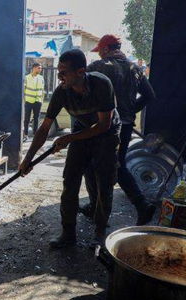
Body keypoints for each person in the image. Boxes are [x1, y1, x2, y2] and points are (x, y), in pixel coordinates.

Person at [19, 49, 121, 248]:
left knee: (104, 182)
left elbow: (103, 125)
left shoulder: (101, 84)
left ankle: (100, 233)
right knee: (70, 180)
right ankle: (68, 234)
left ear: (81, 72)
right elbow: (44, 127)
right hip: (81, 131)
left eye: (64, 72)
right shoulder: (61, 92)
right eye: (59, 71)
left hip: (106, 134)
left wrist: (68, 138)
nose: (59, 76)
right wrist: (28, 159)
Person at [82, 34, 156, 225]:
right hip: (125, 125)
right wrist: (131, 111)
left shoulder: (98, 68)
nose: (100, 55)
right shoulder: (135, 68)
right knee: (117, 165)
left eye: (100, 51)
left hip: (103, 125)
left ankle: (137, 205)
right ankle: (98, 206)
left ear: (106, 49)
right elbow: (149, 95)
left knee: (94, 165)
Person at [24, 63, 45, 141]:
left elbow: (42, 90)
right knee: (27, 119)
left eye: (41, 68)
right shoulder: (27, 78)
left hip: (38, 101)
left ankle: (35, 135)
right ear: (34, 68)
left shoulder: (41, 78)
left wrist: (41, 100)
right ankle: (25, 135)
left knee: (36, 119)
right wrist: (24, 100)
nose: (40, 69)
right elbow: (24, 89)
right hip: (28, 101)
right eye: (39, 68)